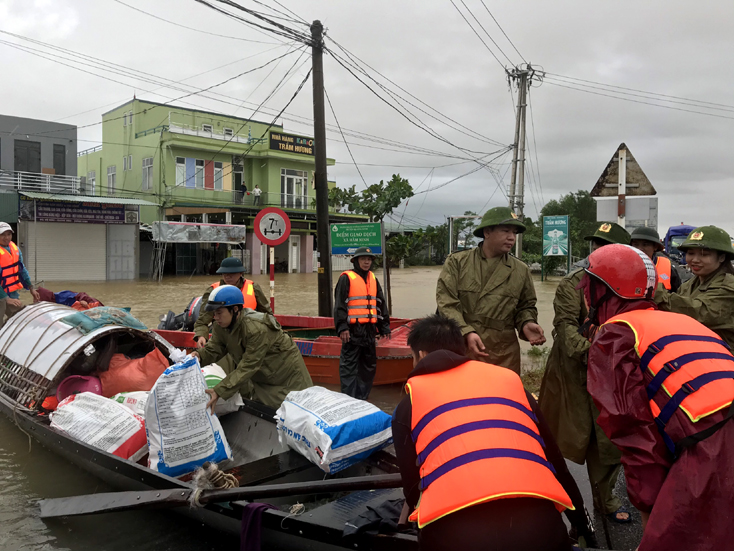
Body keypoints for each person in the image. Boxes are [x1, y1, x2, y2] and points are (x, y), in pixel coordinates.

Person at [391, 314, 596, 551]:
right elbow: (556, 463)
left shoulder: (410, 403)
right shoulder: (510, 382)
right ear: (462, 350)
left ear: (422, 356)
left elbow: (412, 489)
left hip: (457, 538)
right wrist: (581, 525)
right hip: (540, 530)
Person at [580, 243, 734, 551]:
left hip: (712, 446)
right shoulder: (684, 320)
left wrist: (650, 509)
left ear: (601, 290)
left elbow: (632, 431)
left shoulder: (616, 335)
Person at [538, 221, 632, 523]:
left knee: (609, 440)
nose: (597, 251)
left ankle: (605, 499)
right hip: (572, 373)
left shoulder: (631, 283)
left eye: (606, 246)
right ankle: (551, 496)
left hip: (614, 374)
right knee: (560, 435)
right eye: (595, 245)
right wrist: (595, 353)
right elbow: (564, 325)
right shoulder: (574, 283)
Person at [436, 206, 545, 374]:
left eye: (514, 233)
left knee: (500, 398)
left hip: (502, 354)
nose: (511, 238)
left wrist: (526, 323)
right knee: (462, 397)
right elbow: (447, 303)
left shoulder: (520, 270)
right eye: (506, 231)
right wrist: (466, 332)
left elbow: (526, 306)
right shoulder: (457, 262)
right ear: (487, 232)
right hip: (460, 347)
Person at [192, 285, 312, 411]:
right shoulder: (220, 326)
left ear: (235, 309)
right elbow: (214, 348)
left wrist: (219, 391)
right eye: (214, 313)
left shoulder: (256, 328)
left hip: (286, 376)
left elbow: (249, 365)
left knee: (295, 412)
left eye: (219, 313)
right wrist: (199, 356)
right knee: (264, 411)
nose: (215, 318)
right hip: (262, 377)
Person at [654, 225, 734, 349]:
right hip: (698, 355)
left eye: (704, 254)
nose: (695, 260)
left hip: (724, 360)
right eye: (691, 253)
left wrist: (653, 289)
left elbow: (699, 312)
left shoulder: (729, 286)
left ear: (722, 258)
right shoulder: (689, 285)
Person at [334, 247, 391, 399]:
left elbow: (380, 304)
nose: (366, 262)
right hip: (352, 331)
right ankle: (348, 400)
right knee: (349, 368)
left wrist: (384, 326)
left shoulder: (373, 278)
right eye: (363, 259)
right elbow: (339, 305)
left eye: (369, 259)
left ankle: (362, 398)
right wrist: (342, 327)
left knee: (368, 367)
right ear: (356, 261)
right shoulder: (346, 278)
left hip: (369, 331)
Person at [194, 257, 271, 348]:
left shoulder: (253, 288)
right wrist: (201, 335)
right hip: (224, 337)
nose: (227, 276)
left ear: (240, 273)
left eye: (232, 274)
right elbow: (203, 319)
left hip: (249, 335)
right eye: (225, 273)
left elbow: (267, 315)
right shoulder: (213, 291)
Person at [0, 222, 39, 327]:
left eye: (9, 234)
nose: (6, 237)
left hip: (12, 293)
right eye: (2, 234)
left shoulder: (15, 249)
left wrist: (31, 288)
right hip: (1, 296)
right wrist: (6, 298)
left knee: (21, 319)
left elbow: (22, 270)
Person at [630, 226, 681, 292]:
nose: (640, 249)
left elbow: (678, 295)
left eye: (645, 245)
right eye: (635, 245)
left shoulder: (668, 268)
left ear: (655, 247)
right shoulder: (623, 267)